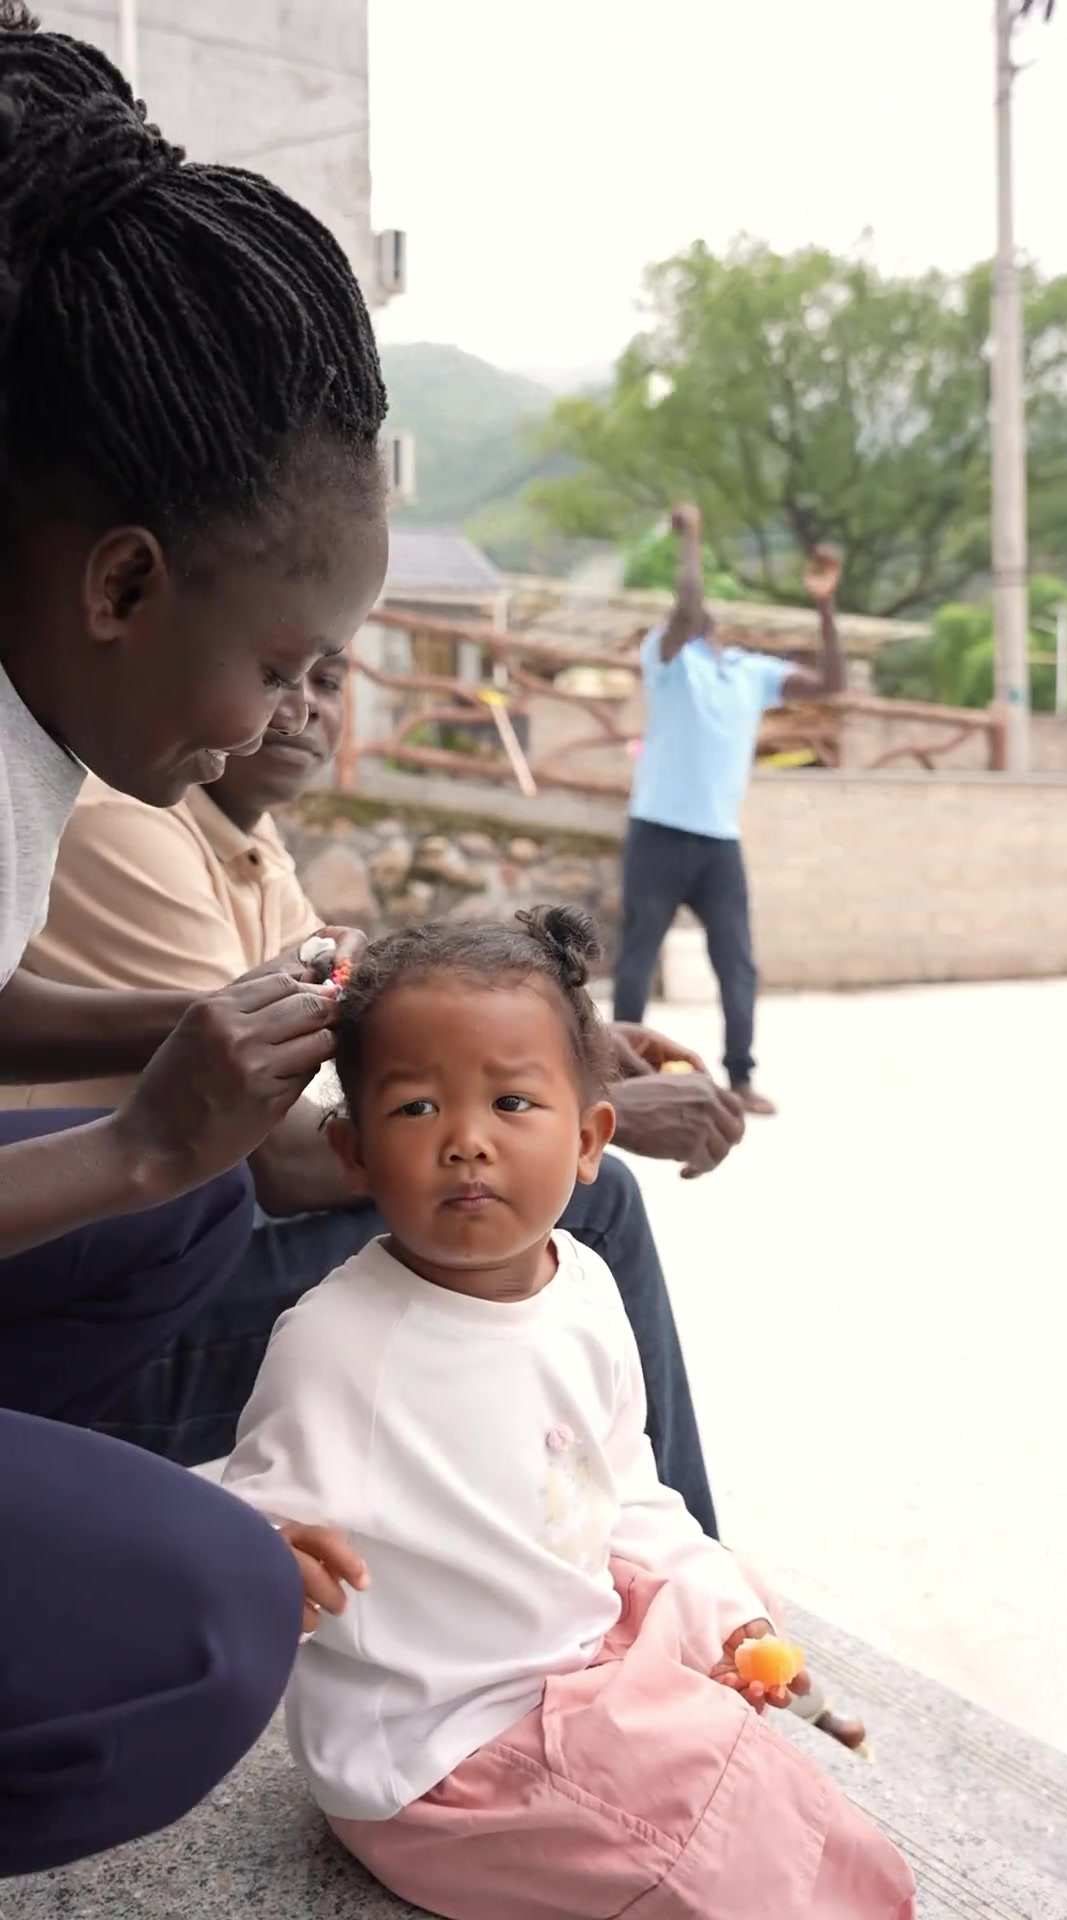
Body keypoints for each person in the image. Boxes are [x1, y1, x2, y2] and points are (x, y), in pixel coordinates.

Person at [0, 5, 391, 1877]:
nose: (265, 726)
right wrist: (145, 1132)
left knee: (176, 1206)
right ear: (125, 578)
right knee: (197, 1622)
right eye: (269, 665)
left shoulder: (33, 711)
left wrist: (174, 1037)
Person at [221, 907, 914, 1920]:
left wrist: (726, 1617)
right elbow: (245, 1539)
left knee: (733, 1595)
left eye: (511, 1101)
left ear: (591, 1139)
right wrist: (277, 1558)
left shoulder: (584, 1286)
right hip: (447, 1748)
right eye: (415, 1110)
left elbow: (624, 1491)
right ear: (353, 1150)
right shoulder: (339, 1343)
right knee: (732, 1858)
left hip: (571, 1657)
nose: (466, 1142)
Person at [7, 676, 743, 1533]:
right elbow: (283, 1157)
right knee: (591, 1202)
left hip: (181, 1249)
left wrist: (565, 1050)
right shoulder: (128, 823)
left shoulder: (250, 839)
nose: (301, 706)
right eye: (276, 666)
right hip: (113, 1327)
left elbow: (375, 1033)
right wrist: (552, 1110)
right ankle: (685, 1588)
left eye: (328, 676)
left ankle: (645, 1568)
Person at [613, 504, 846, 1115]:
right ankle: (621, 1071)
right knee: (638, 955)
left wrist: (824, 604)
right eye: (691, 607)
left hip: (718, 843)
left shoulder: (751, 672)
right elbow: (687, 606)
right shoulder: (664, 659)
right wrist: (693, 541)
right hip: (658, 833)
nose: (697, 612)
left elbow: (831, 685)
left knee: (737, 964)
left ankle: (740, 1078)